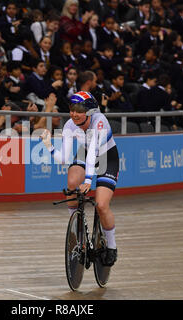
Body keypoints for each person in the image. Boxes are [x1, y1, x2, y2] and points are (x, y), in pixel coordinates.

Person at [40, 91, 119, 267]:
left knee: (102, 205)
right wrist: (49, 145)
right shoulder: (70, 125)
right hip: (85, 153)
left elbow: (93, 153)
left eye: (79, 110)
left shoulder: (100, 121)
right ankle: (76, 228)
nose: (74, 114)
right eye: (72, 109)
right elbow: (63, 158)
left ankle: (112, 246)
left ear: (89, 111)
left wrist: (89, 181)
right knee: (71, 183)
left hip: (107, 156)